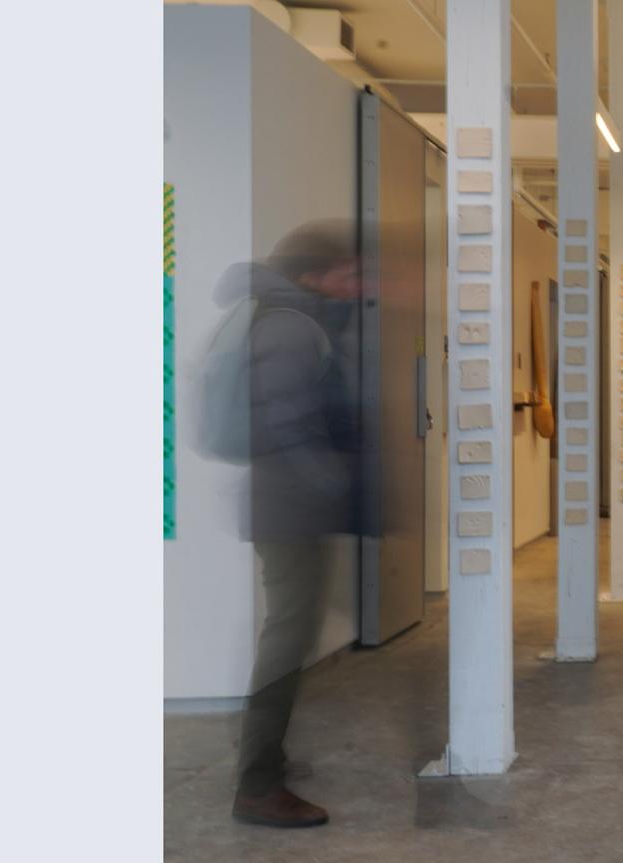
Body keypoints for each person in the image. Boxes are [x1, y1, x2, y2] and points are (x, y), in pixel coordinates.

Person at [229, 221, 364, 828]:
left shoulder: (291, 321)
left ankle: (267, 761)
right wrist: (334, 482)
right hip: (288, 508)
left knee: (292, 635)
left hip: (287, 504)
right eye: (344, 274)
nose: (353, 284)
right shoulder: (290, 327)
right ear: (312, 277)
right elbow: (289, 421)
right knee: (286, 642)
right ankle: (257, 786)